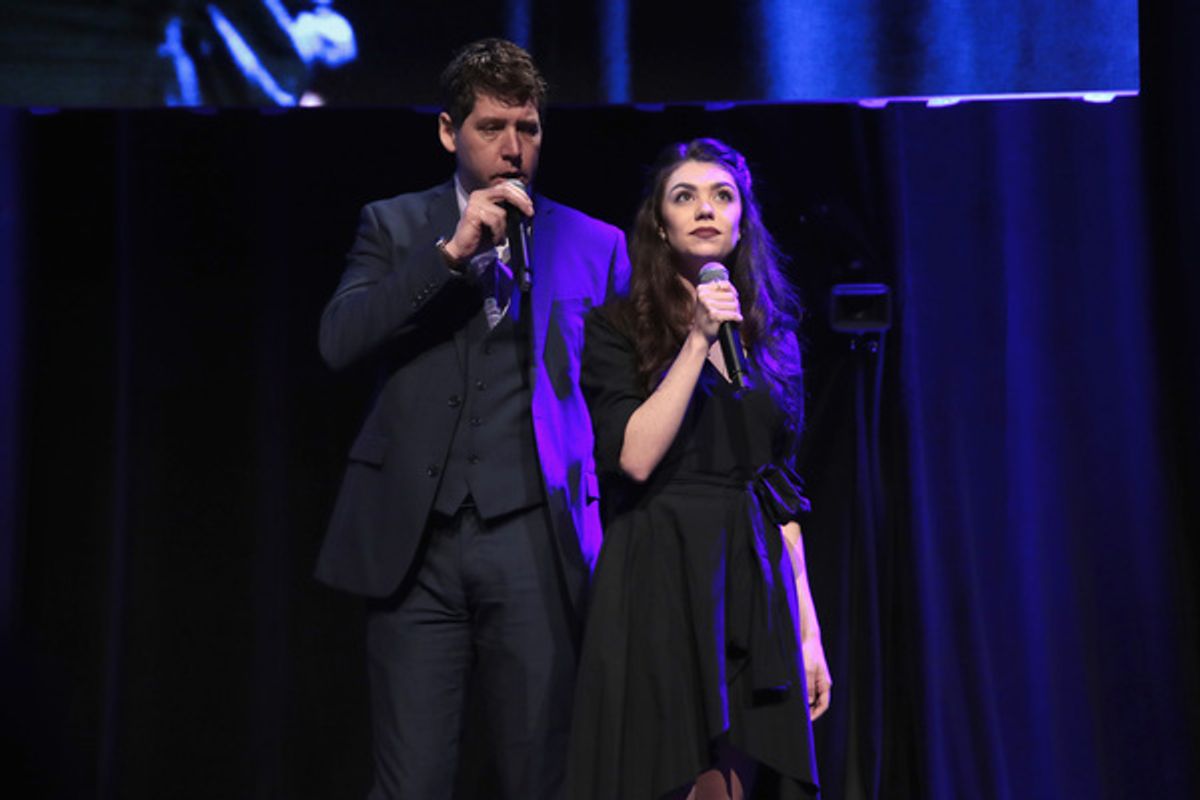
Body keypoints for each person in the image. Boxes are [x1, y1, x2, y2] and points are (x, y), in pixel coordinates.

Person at [315, 38, 629, 799]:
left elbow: (620, 401)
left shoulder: (596, 245)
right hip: (415, 547)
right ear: (449, 131)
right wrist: (449, 255)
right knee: (413, 782)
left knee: (544, 774)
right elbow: (339, 341)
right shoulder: (393, 225)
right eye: (492, 128)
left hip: (535, 540)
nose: (513, 149)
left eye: (528, 128)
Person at [567, 138, 831, 800]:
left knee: (728, 785)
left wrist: (808, 631)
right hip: (658, 567)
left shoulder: (773, 337)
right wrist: (697, 341)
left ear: (743, 220)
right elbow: (633, 456)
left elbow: (780, 494)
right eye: (684, 196)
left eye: (723, 196)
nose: (706, 209)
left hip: (749, 576)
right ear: (660, 224)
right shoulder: (618, 328)